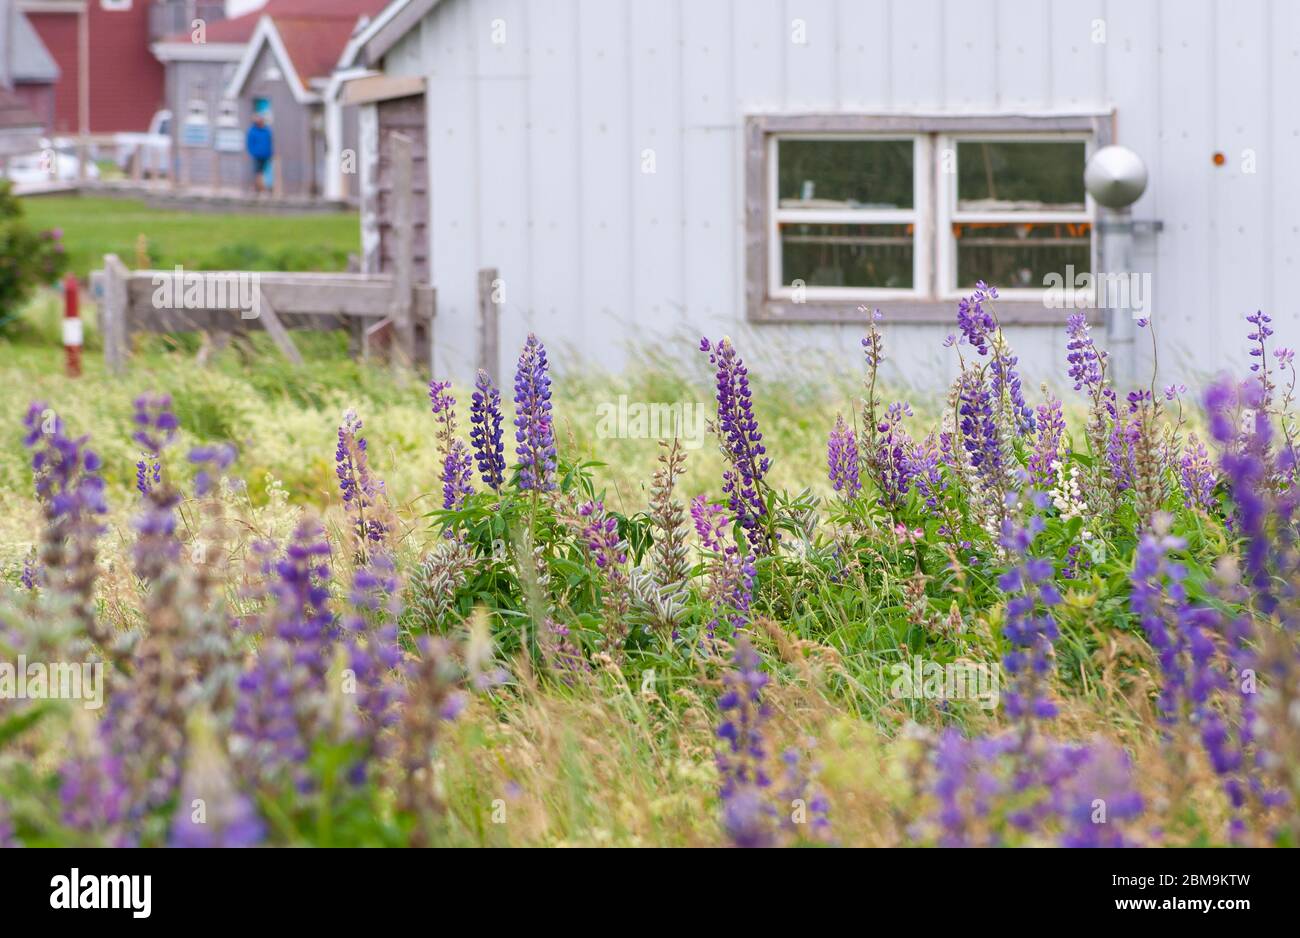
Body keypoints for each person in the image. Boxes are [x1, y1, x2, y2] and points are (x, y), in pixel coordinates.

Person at [246, 113, 273, 195]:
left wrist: (270, 152)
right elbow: (250, 143)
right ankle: (262, 189)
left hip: (266, 155)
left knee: (263, 172)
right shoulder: (252, 130)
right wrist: (253, 152)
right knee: (258, 172)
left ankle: (255, 188)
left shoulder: (267, 130)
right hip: (257, 155)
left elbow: (270, 142)